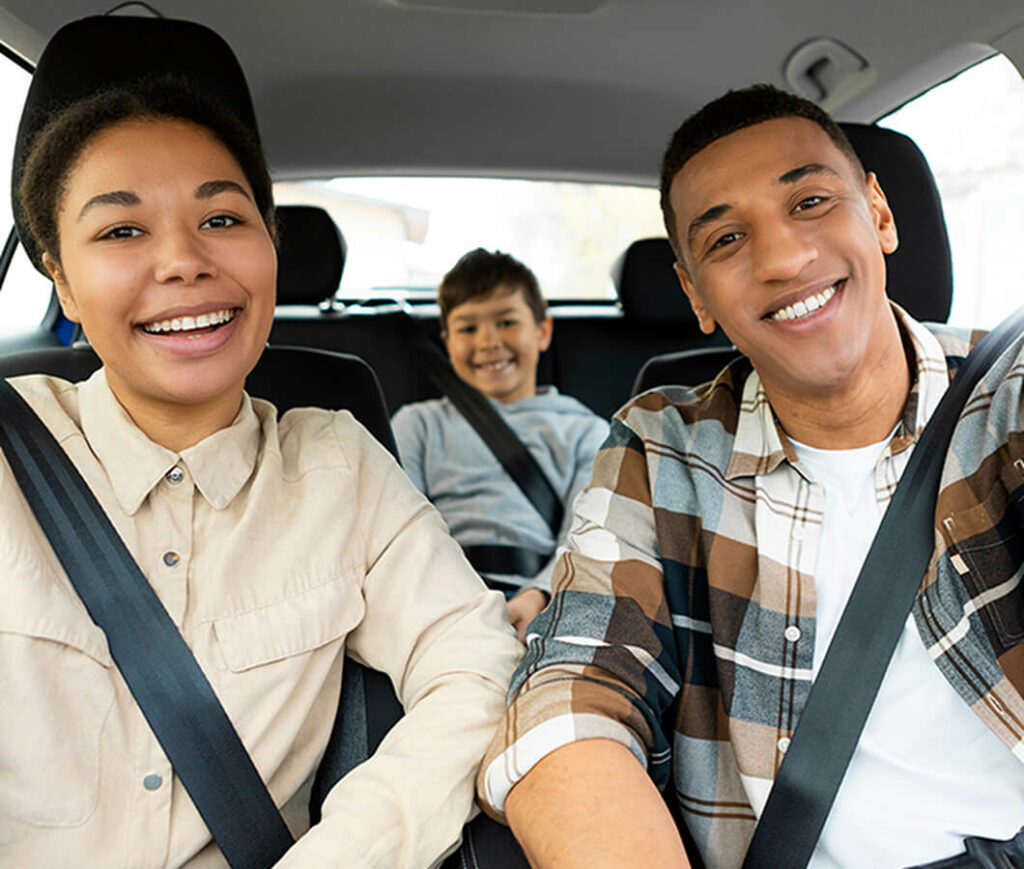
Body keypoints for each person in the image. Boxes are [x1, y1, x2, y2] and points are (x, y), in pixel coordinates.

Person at [1, 21, 522, 869]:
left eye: (221, 215)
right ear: (57, 271)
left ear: (270, 242)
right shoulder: (7, 453)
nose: (182, 261)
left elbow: (477, 665)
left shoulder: (341, 466)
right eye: (122, 231)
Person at [475, 84, 1024, 868]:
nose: (783, 258)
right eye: (727, 239)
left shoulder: (1008, 392)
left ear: (879, 213)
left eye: (810, 201)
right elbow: (572, 695)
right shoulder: (662, 446)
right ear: (695, 294)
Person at [391, 249, 609, 641]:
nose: (489, 342)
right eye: (468, 329)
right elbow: (400, 526)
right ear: (447, 342)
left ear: (542, 331)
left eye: (506, 322)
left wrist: (538, 594)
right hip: (437, 601)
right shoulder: (417, 424)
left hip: (547, 599)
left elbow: (582, 533)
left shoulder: (586, 431)